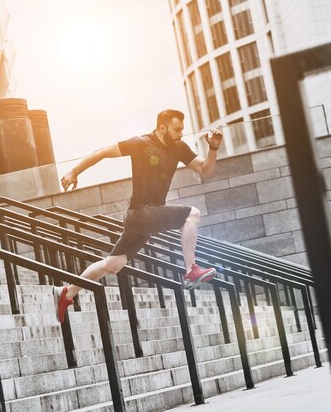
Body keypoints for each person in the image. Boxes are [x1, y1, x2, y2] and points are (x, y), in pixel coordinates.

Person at [53, 109, 223, 323]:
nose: (181, 134)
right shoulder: (140, 143)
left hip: (144, 219)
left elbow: (204, 169)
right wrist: (74, 171)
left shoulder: (178, 148)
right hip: (140, 213)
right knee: (193, 214)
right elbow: (103, 151)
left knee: (112, 265)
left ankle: (67, 292)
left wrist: (213, 149)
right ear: (162, 128)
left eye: (182, 129)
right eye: (177, 129)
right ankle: (191, 270)